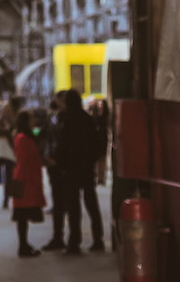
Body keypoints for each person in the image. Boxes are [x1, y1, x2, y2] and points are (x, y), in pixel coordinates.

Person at [55, 89, 104, 255]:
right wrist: (91, 161)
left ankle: (74, 241)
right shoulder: (87, 119)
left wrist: (60, 164)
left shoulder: (68, 120)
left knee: (74, 207)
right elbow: (97, 145)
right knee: (91, 204)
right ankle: (98, 239)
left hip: (71, 170)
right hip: (86, 169)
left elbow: (62, 144)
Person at [10, 110, 45, 258]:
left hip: (27, 179)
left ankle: (24, 244)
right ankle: (23, 246)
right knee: (23, 215)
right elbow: (23, 161)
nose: (34, 120)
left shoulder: (23, 136)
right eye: (31, 118)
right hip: (26, 181)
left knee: (23, 215)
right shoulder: (22, 138)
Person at [41, 93, 68, 251]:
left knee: (59, 204)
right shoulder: (58, 118)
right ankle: (73, 239)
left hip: (58, 166)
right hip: (66, 167)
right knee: (71, 204)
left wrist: (53, 159)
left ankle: (59, 237)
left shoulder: (56, 119)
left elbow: (55, 142)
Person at [90, 97, 110, 185]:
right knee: (96, 158)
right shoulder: (94, 114)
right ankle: (97, 176)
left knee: (103, 157)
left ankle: (102, 177)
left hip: (103, 137)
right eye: (99, 103)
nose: (100, 105)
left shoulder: (106, 114)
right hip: (95, 138)